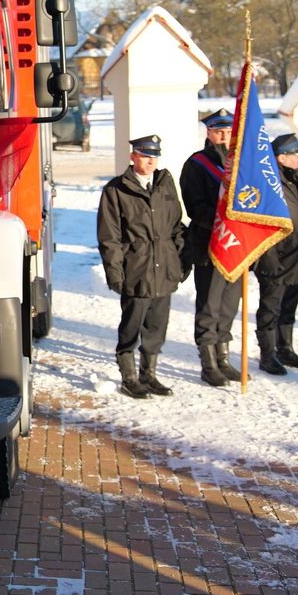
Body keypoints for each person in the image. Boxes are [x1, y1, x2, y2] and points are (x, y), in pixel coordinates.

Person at [97, 135, 189, 398]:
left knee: (156, 327)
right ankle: (129, 377)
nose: (150, 161)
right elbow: (109, 238)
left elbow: (176, 227)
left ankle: (149, 375)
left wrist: (181, 262)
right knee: (131, 326)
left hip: (165, 270)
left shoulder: (164, 185)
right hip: (136, 271)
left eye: (154, 156)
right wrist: (116, 273)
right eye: (145, 155)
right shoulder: (116, 190)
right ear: (133, 156)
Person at [180, 109, 243, 387]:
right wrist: (223, 222)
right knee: (210, 305)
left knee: (229, 305)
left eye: (228, 131)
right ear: (208, 132)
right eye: (219, 131)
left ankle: (223, 356)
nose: (224, 136)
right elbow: (195, 207)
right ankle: (208, 363)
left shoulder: (241, 164)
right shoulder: (197, 164)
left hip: (236, 247)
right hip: (210, 245)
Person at [254, 133, 298, 375]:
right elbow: (263, 224)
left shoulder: (297, 181)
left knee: (289, 305)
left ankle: (285, 348)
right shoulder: (271, 184)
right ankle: (267, 353)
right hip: (278, 259)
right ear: (281, 158)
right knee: (271, 307)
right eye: (296, 154)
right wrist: (268, 258)